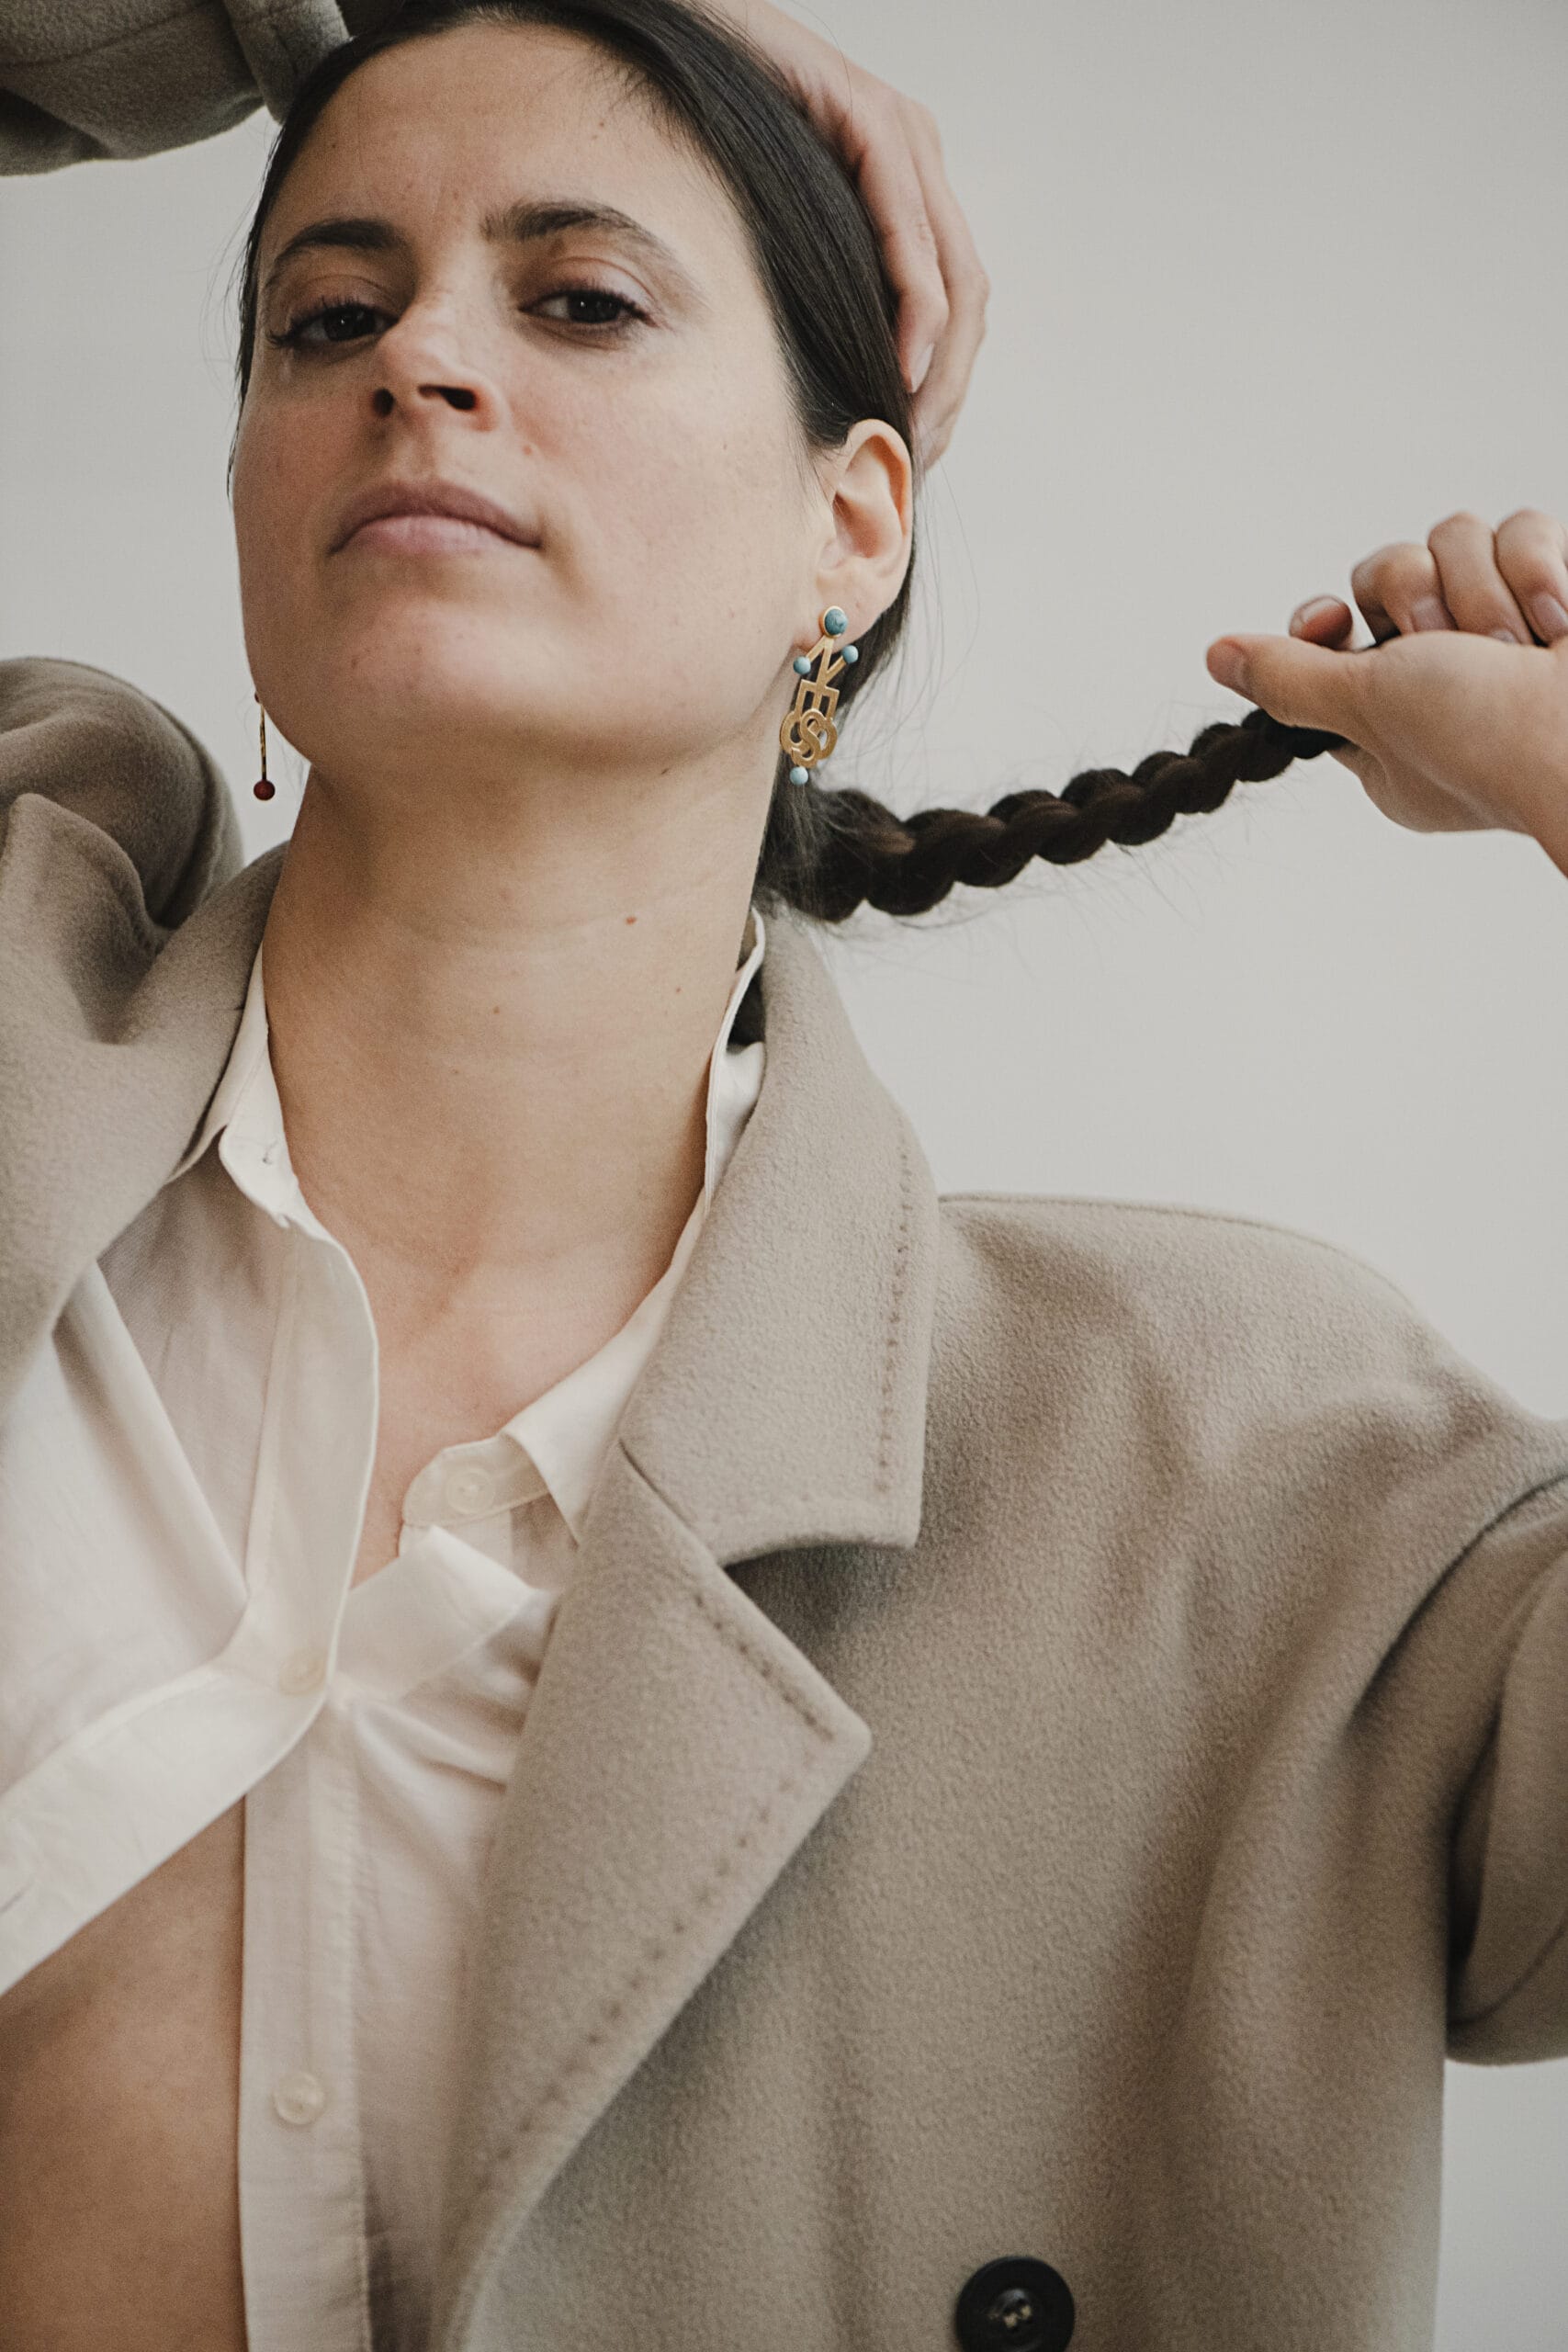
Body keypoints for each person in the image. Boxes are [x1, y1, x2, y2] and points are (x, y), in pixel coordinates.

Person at [0, 4, 1565, 2350]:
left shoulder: (1248, 1479)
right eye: (325, 316)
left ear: (849, 528)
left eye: (577, 297)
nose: (418, 359)